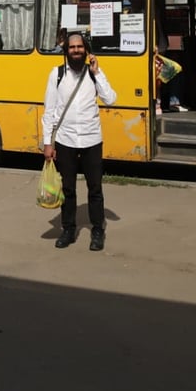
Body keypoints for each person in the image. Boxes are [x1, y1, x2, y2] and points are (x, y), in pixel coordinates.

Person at [42, 31, 117, 252]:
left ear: (86, 50)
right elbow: (49, 111)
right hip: (65, 141)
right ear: (66, 51)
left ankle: (97, 231)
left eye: (80, 47)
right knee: (68, 189)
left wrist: (98, 71)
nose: (76, 50)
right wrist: (48, 143)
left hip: (92, 140)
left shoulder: (93, 74)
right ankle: (68, 229)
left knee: (95, 189)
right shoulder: (56, 75)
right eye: (72, 47)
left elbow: (111, 99)